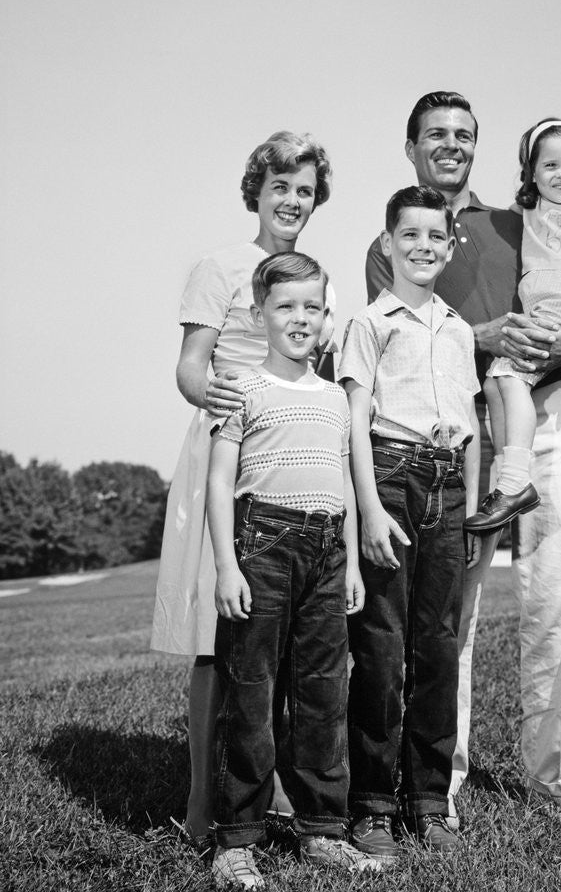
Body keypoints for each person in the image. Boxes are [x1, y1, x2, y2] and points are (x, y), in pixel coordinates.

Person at [365, 91, 561, 823]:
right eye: (436, 135)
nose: (451, 145)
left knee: (558, 592)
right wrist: (490, 335)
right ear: (410, 146)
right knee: (457, 604)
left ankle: (552, 771)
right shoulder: (395, 239)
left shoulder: (520, 217)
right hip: (458, 426)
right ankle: (443, 774)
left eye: (464, 135)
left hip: (550, 409)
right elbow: (405, 336)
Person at [150, 132, 333, 848]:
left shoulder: (318, 281)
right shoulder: (219, 267)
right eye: (281, 186)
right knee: (214, 643)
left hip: (291, 462)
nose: (293, 200)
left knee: (282, 639)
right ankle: (200, 803)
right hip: (226, 456)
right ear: (257, 189)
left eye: (306, 190)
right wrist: (219, 397)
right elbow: (189, 368)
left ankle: (276, 789)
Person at [207, 251, 378, 890]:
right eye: (285, 307)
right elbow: (221, 482)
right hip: (262, 545)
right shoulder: (243, 389)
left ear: (327, 315)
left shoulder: (335, 397)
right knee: (251, 692)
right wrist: (228, 566)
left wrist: (354, 564)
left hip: (328, 551)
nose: (299, 318)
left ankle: (322, 831)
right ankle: (237, 841)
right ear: (260, 315)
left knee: (323, 695)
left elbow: (343, 483)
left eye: (312, 306)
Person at [340, 185, 481, 861]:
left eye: (436, 236)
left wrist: (475, 513)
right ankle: (370, 803)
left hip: (447, 488)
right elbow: (356, 425)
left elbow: (472, 428)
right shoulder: (370, 323)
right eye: (411, 235)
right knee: (381, 647)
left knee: (438, 647)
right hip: (391, 482)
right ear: (388, 244)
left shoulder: (457, 330)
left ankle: (427, 800)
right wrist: (368, 508)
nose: (424, 246)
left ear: (449, 247)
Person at [465, 117, 561, 535]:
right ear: (531, 171)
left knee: (509, 374)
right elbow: (488, 225)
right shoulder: (528, 211)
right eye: (550, 165)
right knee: (498, 377)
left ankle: (514, 482)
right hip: (541, 307)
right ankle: (509, 474)